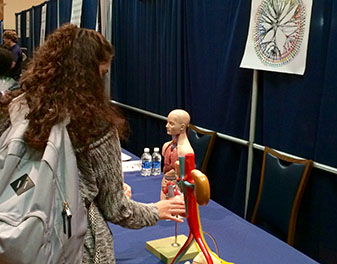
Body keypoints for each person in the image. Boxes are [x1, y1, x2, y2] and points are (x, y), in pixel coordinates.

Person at [0, 24, 185, 263]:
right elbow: (117, 209)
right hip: (73, 246)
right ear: (88, 74)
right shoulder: (94, 126)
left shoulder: (15, 107)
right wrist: (156, 211)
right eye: (103, 72)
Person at [161, 109, 194, 200]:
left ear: (182, 127)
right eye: (167, 122)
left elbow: (186, 180)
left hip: (178, 190)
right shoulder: (166, 146)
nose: (167, 126)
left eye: (171, 124)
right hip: (165, 185)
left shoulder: (186, 151)